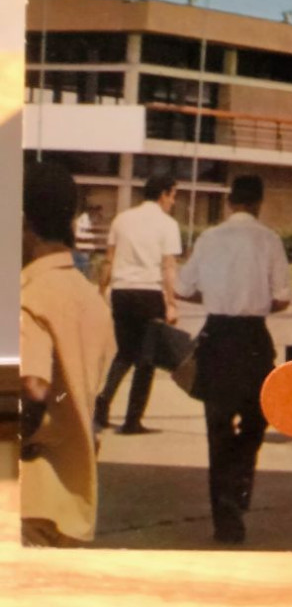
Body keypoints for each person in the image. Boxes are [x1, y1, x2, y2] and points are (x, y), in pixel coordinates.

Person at [176, 175, 291, 544]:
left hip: (217, 336)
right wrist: (254, 301)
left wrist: (215, 299)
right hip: (253, 337)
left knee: (218, 429)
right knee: (258, 417)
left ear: (229, 202)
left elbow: (182, 289)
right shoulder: (270, 239)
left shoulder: (209, 239)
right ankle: (241, 475)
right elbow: (284, 298)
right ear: (258, 202)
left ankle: (225, 519)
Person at [20, 162, 116, 546]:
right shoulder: (90, 298)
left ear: (22, 222)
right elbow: (71, 389)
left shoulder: (29, 299)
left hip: (25, 502)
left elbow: (33, 388)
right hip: (72, 503)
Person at [94, 173, 183, 435]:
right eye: (173, 195)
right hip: (148, 294)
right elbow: (168, 266)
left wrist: (102, 290)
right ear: (164, 194)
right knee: (147, 360)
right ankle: (133, 420)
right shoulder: (167, 224)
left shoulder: (121, 219)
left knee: (125, 352)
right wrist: (171, 302)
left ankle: (104, 401)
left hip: (121, 293)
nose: (174, 202)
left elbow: (108, 259)